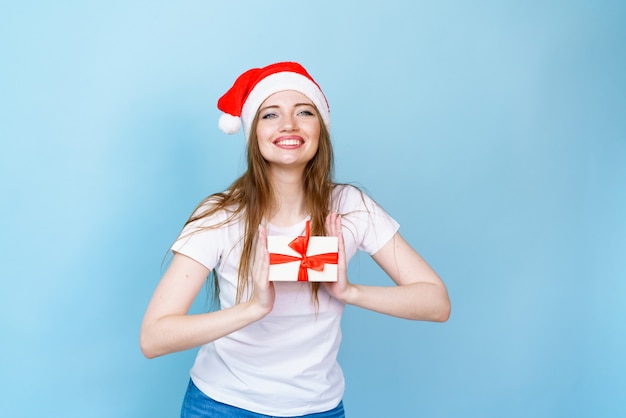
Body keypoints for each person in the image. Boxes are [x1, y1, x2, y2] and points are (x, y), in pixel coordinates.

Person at [140, 61, 451, 418]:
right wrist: (254, 307)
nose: (288, 124)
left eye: (304, 111)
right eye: (270, 115)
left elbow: (436, 302)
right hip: (221, 405)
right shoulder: (221, 215)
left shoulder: (350, 207)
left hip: (318, 408)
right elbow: (154, 337)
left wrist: (348, 291)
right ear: (253, 132)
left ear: (321, 128)